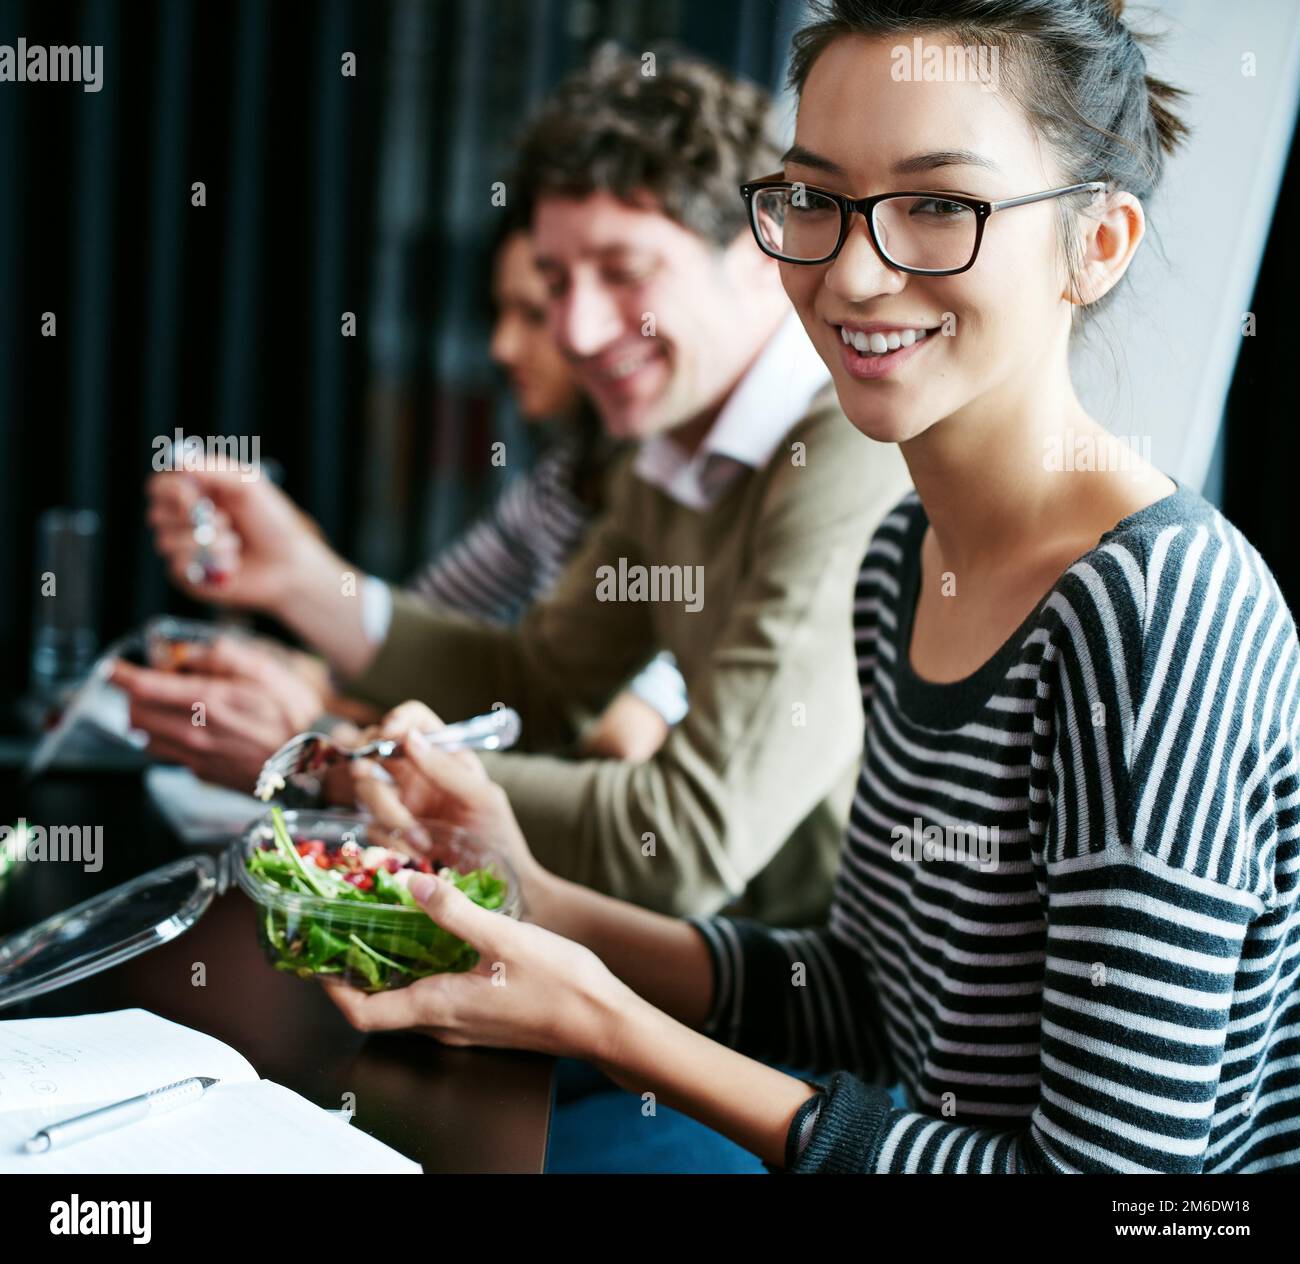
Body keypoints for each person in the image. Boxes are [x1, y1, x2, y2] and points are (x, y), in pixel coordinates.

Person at [322, 0, 1300, 1174]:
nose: (852, 270)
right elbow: (866, 1002)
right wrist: (530, 892)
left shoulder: (1154, 615)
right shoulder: (903, 564)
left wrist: (603, 1020)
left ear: (1096, 245)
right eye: (814, 197)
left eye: (938, 204)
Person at [139, 47, 914, 926]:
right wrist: (302, 580)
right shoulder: (670, 441)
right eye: (554, 282)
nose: (578, 329)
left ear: (758, 256)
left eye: (624, 273)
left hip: (816, 1017)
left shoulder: (848, 446)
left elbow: (687, 841)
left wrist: (340, 761)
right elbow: (536, 685)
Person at [112, 221, 689, 787]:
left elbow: (621, 737)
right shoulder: (560, 481)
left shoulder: (667, 483)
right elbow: (415, 653)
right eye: (501, 312)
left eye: (534, 315)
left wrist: (328, 744)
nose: (501, 346)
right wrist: (297, 635)